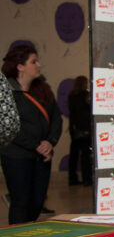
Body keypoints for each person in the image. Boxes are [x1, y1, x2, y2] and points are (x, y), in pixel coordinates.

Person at [1, 45, 63, 224]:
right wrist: (36, 145)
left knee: (37, 201)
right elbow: (8, 125)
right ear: (20, 66)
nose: (39, 65)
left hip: (42, 156)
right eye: (33, 62)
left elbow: (56, 119)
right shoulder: (6, 92)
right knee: (20, 202)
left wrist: (50, 142)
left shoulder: (43, 90)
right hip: (16, 155)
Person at [67, 75, 92, 186]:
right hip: (85, 128)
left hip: (74, 129)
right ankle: (87, 179)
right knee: (86, 155)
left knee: (74, 155)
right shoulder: (86, 95)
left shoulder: (71, 96)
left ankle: (72, 178)